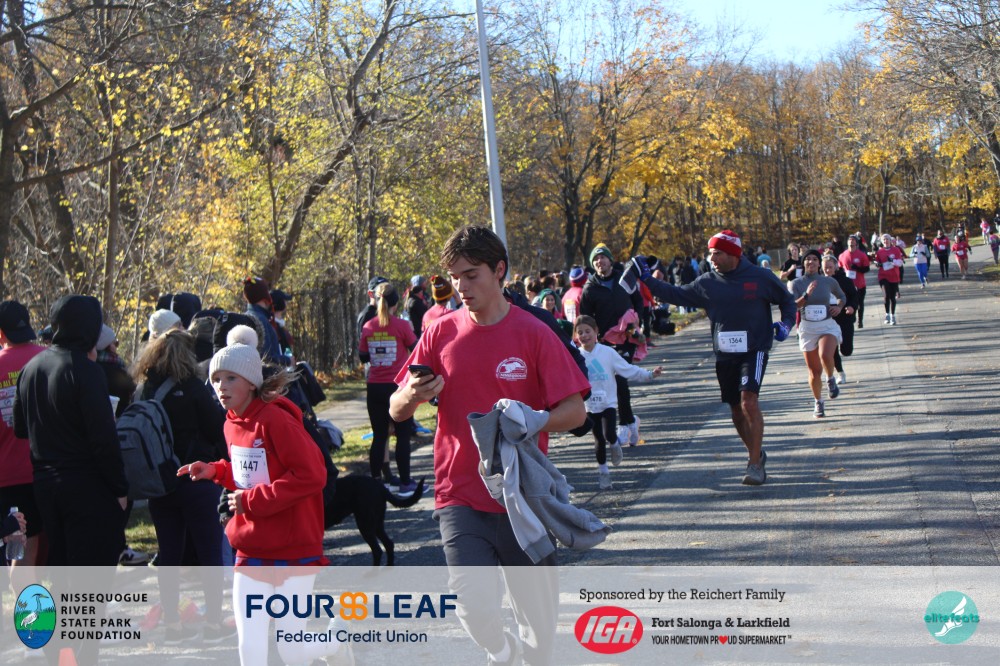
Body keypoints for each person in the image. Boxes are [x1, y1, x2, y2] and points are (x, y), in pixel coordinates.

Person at [389, 225, 588, 666]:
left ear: (499, 271)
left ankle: (525, 653)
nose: (461, 287)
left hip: (524, 499)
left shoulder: (534, 332)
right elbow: (395, 409)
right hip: (460, 494)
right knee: (473, 606)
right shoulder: (439, 332)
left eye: (471, 275)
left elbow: (576, 412)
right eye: (454, 277)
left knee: (540, 636)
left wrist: (536, 419)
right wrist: (412, 395)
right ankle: (502, 650)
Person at [178, 342, 348, 666]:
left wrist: (251, 501)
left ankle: (334, 645)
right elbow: (253, 474)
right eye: (216, 379)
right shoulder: (230, 423)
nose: (221, 387)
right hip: (252, 546)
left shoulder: (276, 420)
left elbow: (313, 475)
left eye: (231, 378)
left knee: (290, 650)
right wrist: (217, 471)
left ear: (252, 382)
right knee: (250, 647)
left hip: (294, 548)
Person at [632, 230, 796, 485]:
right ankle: (756, 452)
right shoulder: (707, 282)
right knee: (736, 410)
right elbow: (675, 294)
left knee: (749, 401)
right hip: (725, 354)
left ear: (733, 254)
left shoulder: (760, 277)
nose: (712, 258)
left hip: (754, 349)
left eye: (717, 253)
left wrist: (786, 324)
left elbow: (788, 301)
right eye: (710, 253)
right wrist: (646, 279)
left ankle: (754, 465)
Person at [13, 295, 125, 666]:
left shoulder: (32, 367)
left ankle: (57, 653)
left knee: (61, 574)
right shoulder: (85, 370)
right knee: (91, 580)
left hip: (46, 483)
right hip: (87, 485)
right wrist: (120, 489)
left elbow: (20, 427)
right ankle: (83, 656)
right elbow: (104, 439)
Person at [131, 329, 229, 644]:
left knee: (169, 554)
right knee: (209, 552)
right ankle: (213, 624)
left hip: (160, 484)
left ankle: (172, 625)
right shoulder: (192, 388)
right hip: (198, 481)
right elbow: (218, 430)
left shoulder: (144, 390)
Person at [574, 315, 660, 490]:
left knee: (609, 434)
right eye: (580, 332)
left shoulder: (607, 353)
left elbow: (627, 369)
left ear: (596, 331)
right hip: (589, 405)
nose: (584, 336)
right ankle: (603, 473)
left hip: (608, 403)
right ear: (576, 336)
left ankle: (614, 445)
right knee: (598, 438)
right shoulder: (576, 356)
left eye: (588, 331)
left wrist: (649, 374)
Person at [0, 301, 46, 593]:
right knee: (35, 549)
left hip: (8, 477)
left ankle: (31, 614)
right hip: (47, 470)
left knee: (20, 550)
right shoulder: (47, 358)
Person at [580, 244, 644, 445]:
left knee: (621, 379)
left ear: (610, 260)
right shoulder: (589, 288)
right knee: (612, 383)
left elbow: (638, 300)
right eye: (595, 259)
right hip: (605, 340)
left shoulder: (624, 278)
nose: (600, 261)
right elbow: (585, 318)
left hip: (627, 336)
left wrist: (637, 320)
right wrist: (591, 338)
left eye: (603, 257)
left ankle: (624, 425)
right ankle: (631, 422)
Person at [360, 282, 418, 493]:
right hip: (398, 387)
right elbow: (416, 349)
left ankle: (376, 484)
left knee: (379, 436)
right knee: (402, 435)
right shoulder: (402, 326)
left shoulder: (368, 326)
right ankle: (405, 483)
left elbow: (363, 356)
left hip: (375, 387)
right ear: (396, 303)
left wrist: (379, 352)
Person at [790, 251, 846, 418]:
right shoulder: (796, 283)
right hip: (807, 328)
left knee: (825, 354)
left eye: (815, 259)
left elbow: (841, 296)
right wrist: (806, 295)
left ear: (819, 263)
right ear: (803, 263)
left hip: (826, 325)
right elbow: (793, 305)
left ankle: (830, 378)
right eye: (808, 259)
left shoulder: (829, 281)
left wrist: (839, 307)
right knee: (814, 372)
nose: (811, 262)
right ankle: (818, 401)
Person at [822, 256, 858, 385]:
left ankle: (845, 350)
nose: (827, 270)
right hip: (828, 319)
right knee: (832, 349)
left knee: (846, 351)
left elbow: (854, 296)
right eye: (825, 268)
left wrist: (852, 307)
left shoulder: (845, 281)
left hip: (844, 317)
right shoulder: (819, 282)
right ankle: (840, 373)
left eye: (830, 267)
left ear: (836, 267)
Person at [837, 235, 870, 329]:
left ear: (856, 244)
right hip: (847, 285)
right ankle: (852, 318)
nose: (851, 243)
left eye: (853, 241)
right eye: (849, 241)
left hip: (859, 284)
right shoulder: (842, 255)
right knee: (849, 302)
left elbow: (866, 268)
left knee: (860, 303)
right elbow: (839, 269)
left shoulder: (862, 255)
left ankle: (860, 321)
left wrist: (858, 268)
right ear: (847, 243)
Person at [875, 233, 904, 324]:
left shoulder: (895, 250)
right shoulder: (880, 252)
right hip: (883, 276)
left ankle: (892, 316)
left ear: (890, 241)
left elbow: (900, 263)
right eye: (884, 240)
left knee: (892, 297)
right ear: (882, 242)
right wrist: (878, 264)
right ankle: (887, 314)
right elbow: (877, 262)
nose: (885, 241)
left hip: (894, 276)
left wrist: (892, 261)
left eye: (887, 239)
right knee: (886, 295)